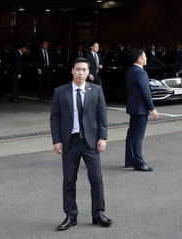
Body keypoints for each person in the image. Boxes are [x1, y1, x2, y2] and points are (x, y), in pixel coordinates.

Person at [49, 57, 113, 231]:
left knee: (96, 179)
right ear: (72, 71)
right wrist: (56, 141)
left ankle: (98, 213)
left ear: (88, 72)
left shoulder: (96, 90)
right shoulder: (61, 92)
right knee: (69, 180)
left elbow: (102, 116)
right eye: (78, 69)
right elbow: (55, 118)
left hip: (91, 142)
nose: (81, 73)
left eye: (84, 70)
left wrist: (103, 137)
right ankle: (71, 215)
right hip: (70, 142)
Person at [125, 49, 159, 171]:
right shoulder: (141, 73)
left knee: (131, 134)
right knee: (138, 136)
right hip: (140, 109)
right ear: (139, 59)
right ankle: (139, 162)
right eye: (144, 57)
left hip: (133, 108)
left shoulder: (130, 71)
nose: (146, 59)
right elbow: (146, 92)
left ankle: (129, 159)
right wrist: (152, 108)